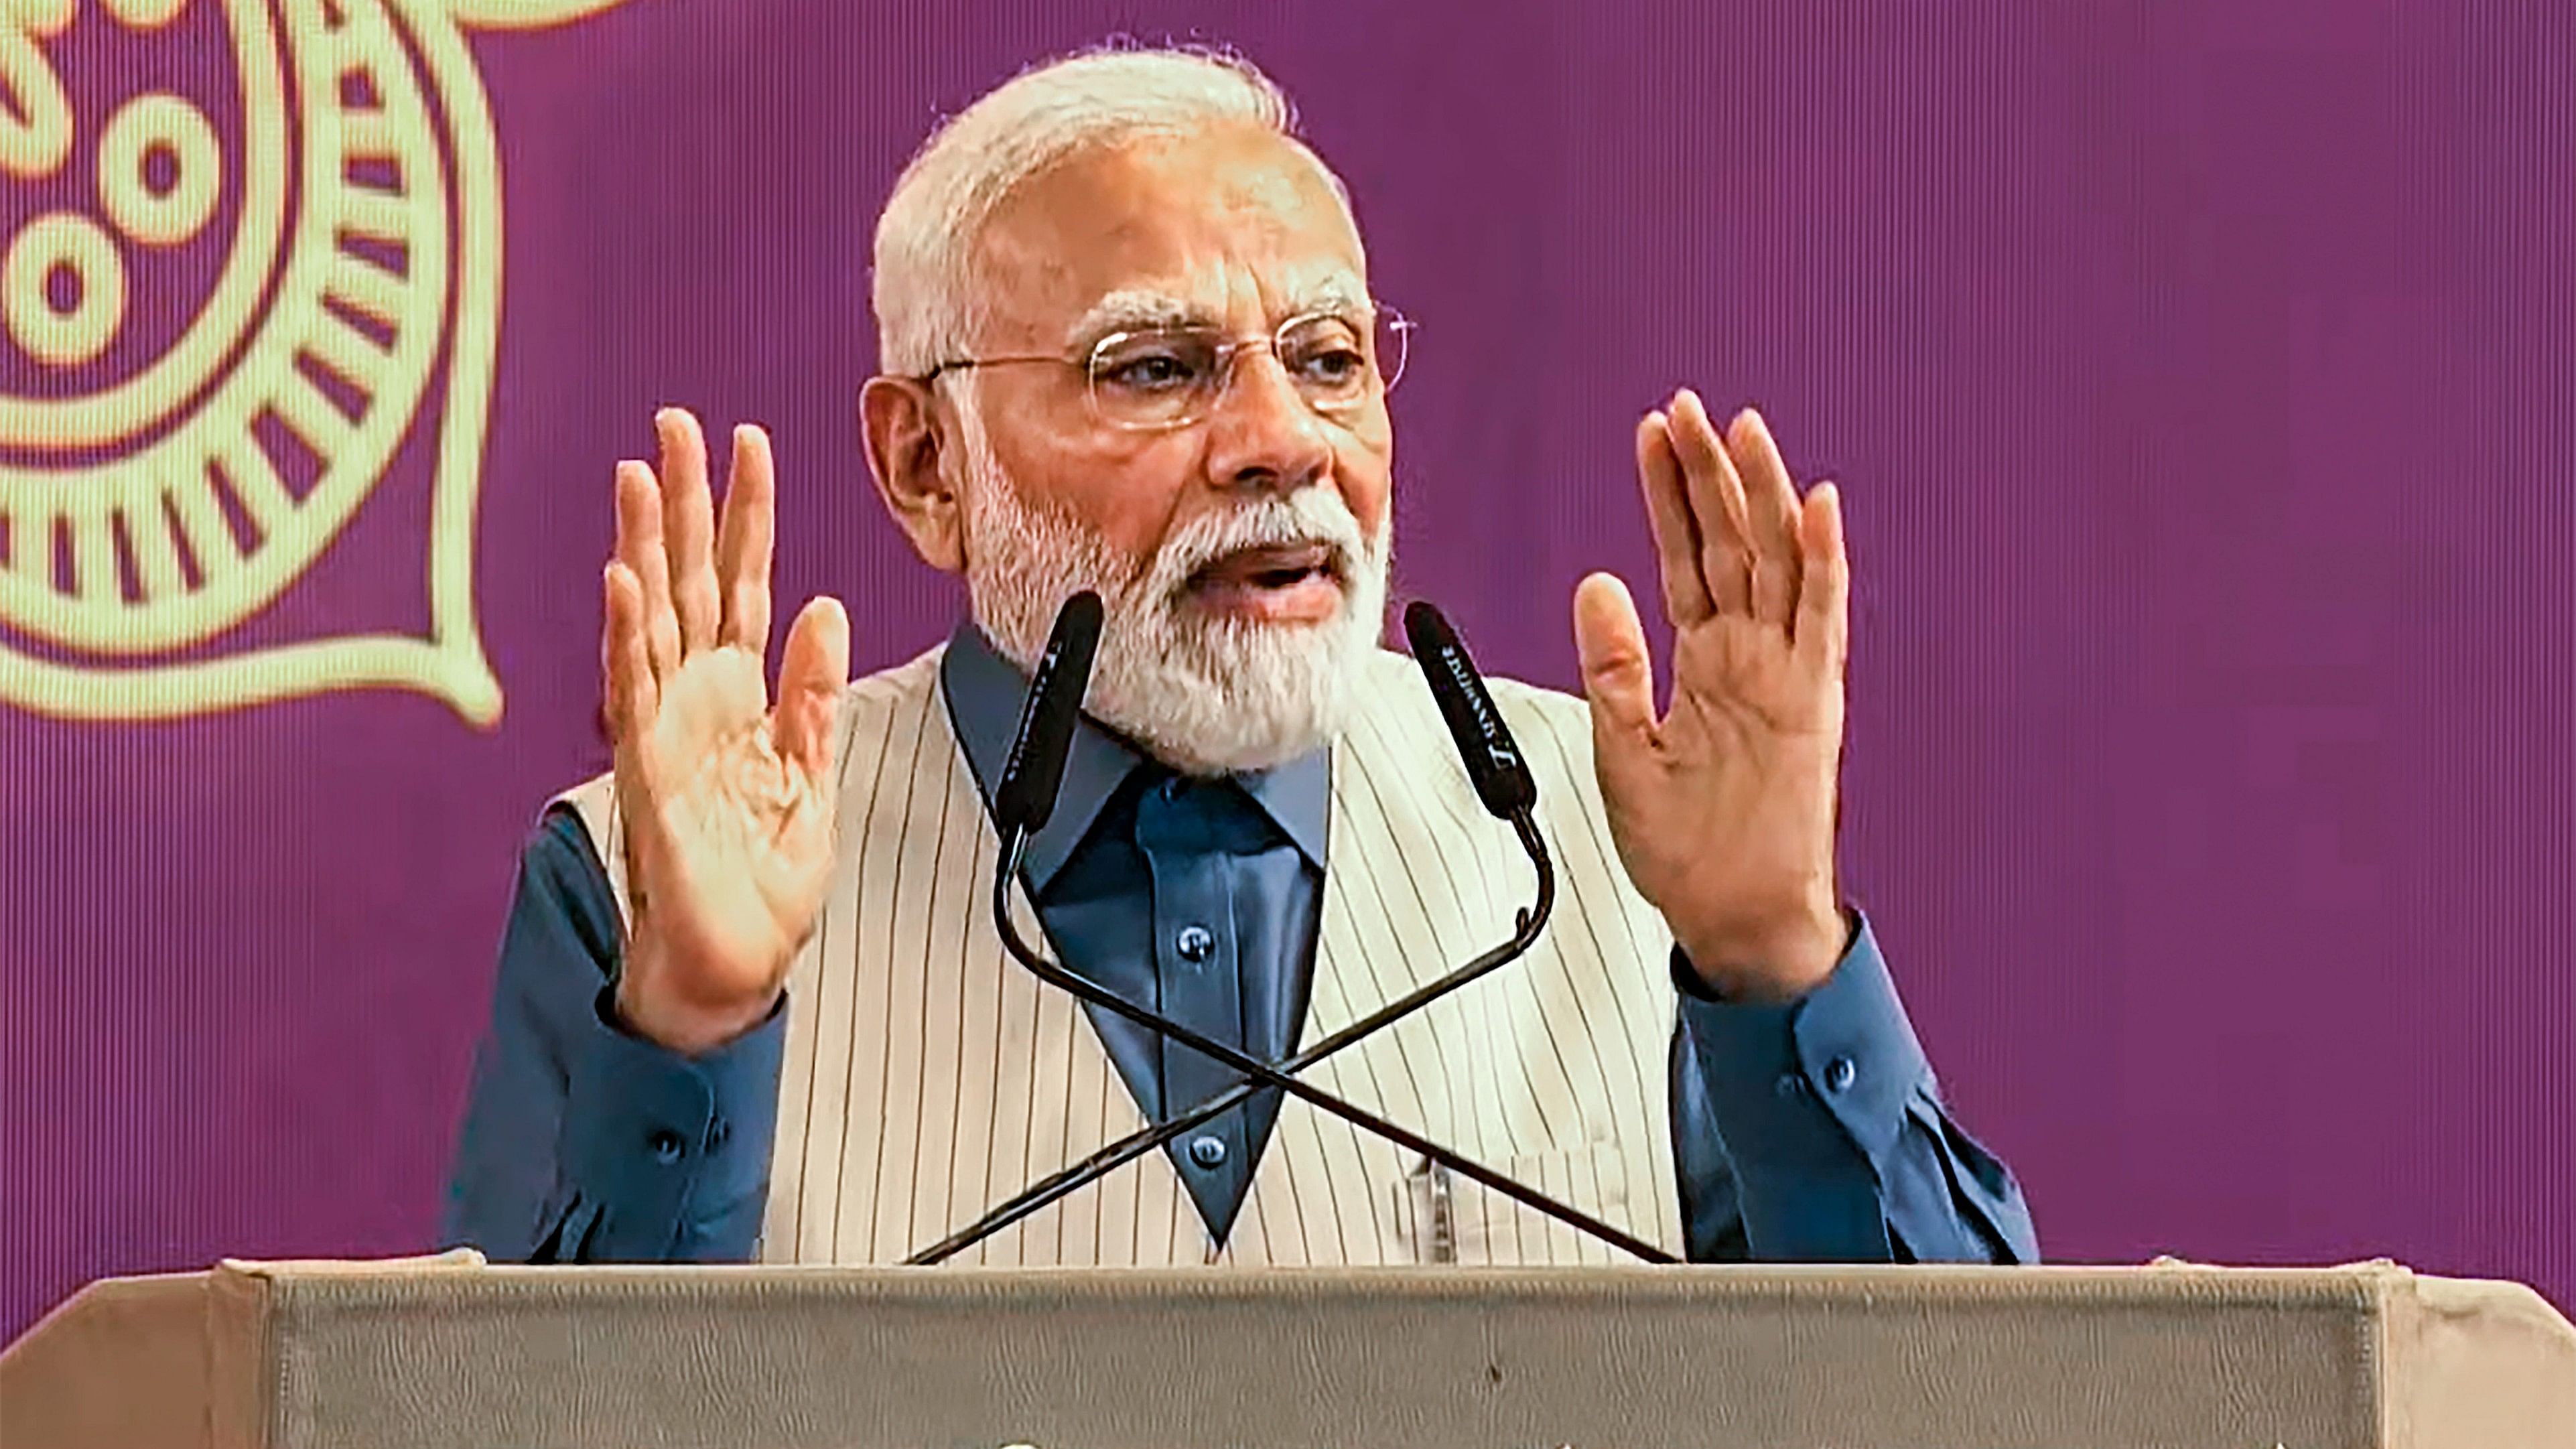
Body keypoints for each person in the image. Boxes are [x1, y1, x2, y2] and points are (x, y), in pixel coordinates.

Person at [443, 44, 2037, 1267]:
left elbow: (1973, 1418)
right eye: (1157, 366)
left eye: (1330, 358)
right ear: (930, 462)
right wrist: (695, 1025)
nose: (1281, 440)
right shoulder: (635, 881)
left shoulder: (1619, 853)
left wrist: (1774, 959)